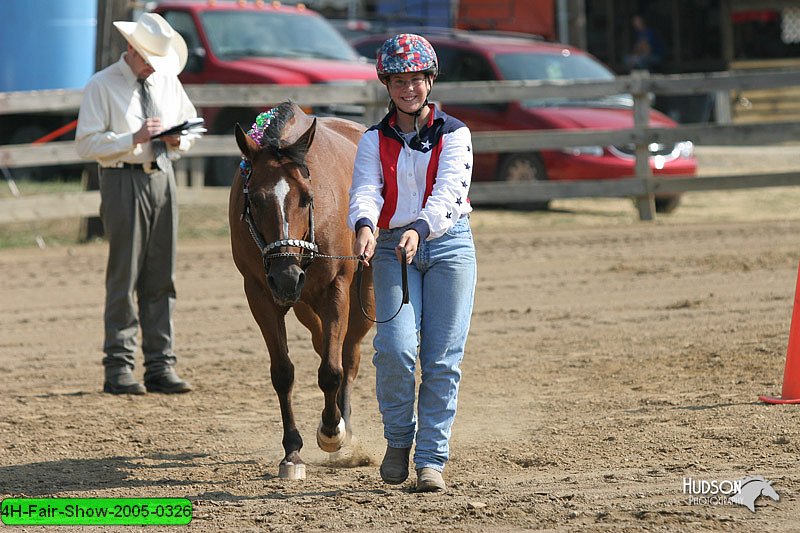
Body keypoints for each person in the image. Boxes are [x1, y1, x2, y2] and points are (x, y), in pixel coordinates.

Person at [348, 34, 477, 492]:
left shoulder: (455, 133)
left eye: (416, 79)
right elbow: (366, 189)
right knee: (395, 350)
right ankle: (399, 441)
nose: (408, 89)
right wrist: (364, 225)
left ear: (430, 80)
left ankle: (431, 460)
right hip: (390, 249)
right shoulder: (372, 139)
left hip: (448, 247)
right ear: (386, 83)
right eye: (399, 80)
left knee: (442, 359)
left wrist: (419, 228)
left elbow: (449, 194)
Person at [76, 12, 198, 395]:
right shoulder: (102, 85)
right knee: (125, 274)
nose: (151, 67)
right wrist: (132, 137)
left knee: (163, 275)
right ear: (131, 49)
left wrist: (178, 140)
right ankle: (119, 366)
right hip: (122, 179)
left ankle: (161, 364)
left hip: (163, 177)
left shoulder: (165, 79)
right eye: (147, 58)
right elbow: (86, 144)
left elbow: (191, 124)